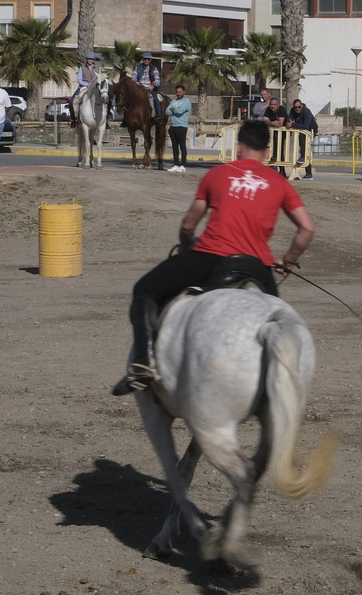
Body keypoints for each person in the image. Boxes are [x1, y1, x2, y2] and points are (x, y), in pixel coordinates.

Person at [113, 119, 315, 395]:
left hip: (211, 258)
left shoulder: (218, 175)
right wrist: (288, 260)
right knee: (276, 322)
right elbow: (306, 228)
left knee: (144, 289)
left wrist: (186, 247)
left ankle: (142, 363)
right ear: (267, 153)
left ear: (239, 147)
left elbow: (188, 225)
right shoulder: (280, 183)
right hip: (257, 267)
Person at [286, 98, 318, 179]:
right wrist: (290, 123)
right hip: (301, 130)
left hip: (311, 130)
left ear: (302, 106)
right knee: (302, 143)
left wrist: (293, 125)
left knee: (306, 150)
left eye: (299, 107)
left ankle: (309, 173)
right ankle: (303, 157)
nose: (297, 109)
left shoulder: (306, 112)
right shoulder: (293, 111)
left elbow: (306, 126)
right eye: (295, 107)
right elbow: (288, 121)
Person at [165, 85, 192, 172]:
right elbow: (167, 111)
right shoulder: (173, 101)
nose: (178, 93)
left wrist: (173, 110)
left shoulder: (186, 101)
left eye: (180, 92)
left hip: (182, 126)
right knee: (174, 147)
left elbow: (180, 112)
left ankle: (183, 165)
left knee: (182, 146)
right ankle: (176, 164)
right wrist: (174, 110)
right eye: (177, 92)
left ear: (183, 92)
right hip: (173, 126)